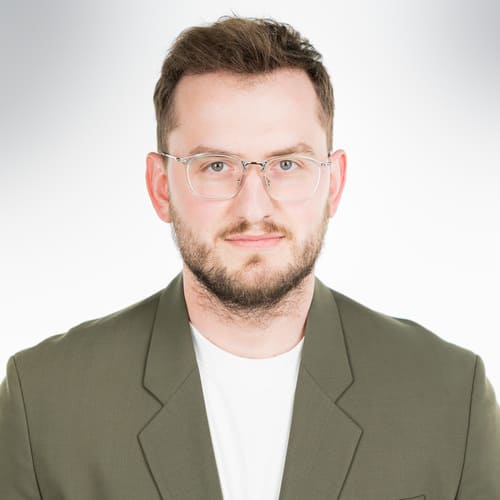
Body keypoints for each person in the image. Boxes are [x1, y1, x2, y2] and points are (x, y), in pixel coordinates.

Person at [0, 15, 498, 500]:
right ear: (161, 187)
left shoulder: (452, 397)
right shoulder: (43, 403)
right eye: (216, 165)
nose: (254, 208)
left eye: (287, 164)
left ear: (334, 183)